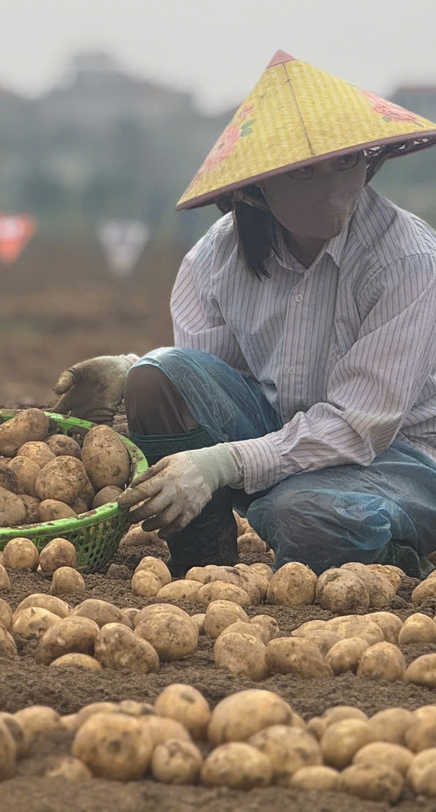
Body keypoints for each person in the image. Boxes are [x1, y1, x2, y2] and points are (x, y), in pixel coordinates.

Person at [54, 51, 436, 576]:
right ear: (257, 186)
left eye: (344, 162)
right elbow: (207, 385)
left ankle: (397, 554)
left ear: (369, 162)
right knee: (157, 375)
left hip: (397, 461)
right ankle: (204, 558)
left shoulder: (404, 260)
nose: (331, 184)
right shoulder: (216, 259)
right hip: (279, 439)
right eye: (306, 170)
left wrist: (225, 462)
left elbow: (358, 426)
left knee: (299, 513)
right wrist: (135, 373)